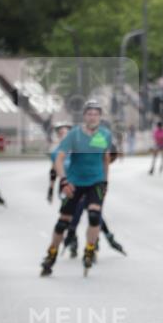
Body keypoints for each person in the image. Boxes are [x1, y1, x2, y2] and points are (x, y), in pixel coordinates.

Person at [40, 99, 111, 276]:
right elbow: (59, 158)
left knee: (95, 215)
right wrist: (63, 180)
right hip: (74, 182)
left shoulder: (105, 134)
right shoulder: (74, 135)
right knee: (63, 222)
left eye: (96, 114)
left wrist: (105, 181)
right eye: (89, 113)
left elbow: (106, 159)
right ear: (84, 116)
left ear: (100, 116)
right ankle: (51, 254)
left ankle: (89, 248)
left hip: (96, 181)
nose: (92, 116)